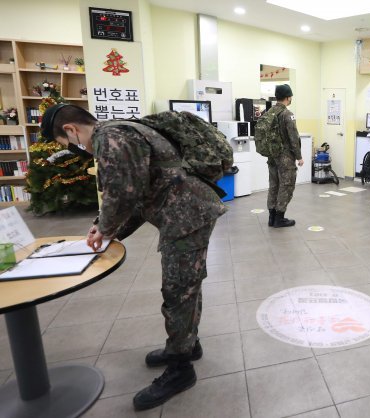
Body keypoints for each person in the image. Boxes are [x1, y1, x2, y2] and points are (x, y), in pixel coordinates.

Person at [40, 103, 231, 411]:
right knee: (186, 285)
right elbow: (139, 195)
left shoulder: (111, 140)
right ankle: (187, 346)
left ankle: (181, 368)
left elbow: (123, 194)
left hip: (187, 216)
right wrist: (106, 229)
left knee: (178, 289)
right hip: (186, 210)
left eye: (65, 143)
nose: (72, 148)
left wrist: (105, 227)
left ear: (71, 130)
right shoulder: (118, 131)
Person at [266, 84, 304, 227]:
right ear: (288, 97)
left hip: (271, 156)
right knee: (286, 186)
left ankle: (271, 217)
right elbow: (293, 137)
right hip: (285, 158)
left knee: (274, 185)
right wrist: (299, 156)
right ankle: (279, 218)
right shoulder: (287, 114)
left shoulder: (269, 112)